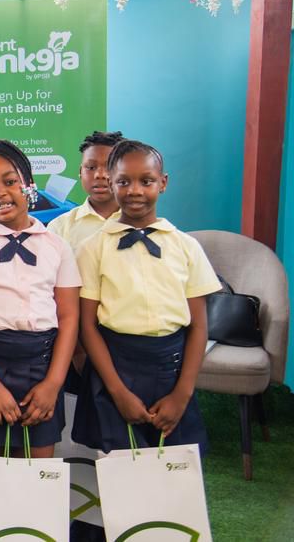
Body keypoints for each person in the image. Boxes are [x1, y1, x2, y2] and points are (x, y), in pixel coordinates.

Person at [72, 140, 218, 454]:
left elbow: (199, 328)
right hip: (115, 370)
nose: (135, 190)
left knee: (176, 477)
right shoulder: (93, 249)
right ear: (111, 184)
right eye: (124, 181)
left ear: (162, 184)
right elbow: (87, 326)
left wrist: (182, 394)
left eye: (146, 181)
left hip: (171, 370)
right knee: (122, 477)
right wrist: (118, 391)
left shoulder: (186, 247)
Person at [0, 140, 80, 462]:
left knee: (38, 467)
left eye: (9, 182)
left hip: (42, 364)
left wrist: (53, 383)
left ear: (29, 186)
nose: (0, 193)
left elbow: (69, 317)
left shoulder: (57, 246)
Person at [48, 131, 124, 252]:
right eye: (91, 168)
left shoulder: (141, 225)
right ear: (80, 171)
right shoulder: (60, 228)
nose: (100, 175)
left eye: (110, 167)